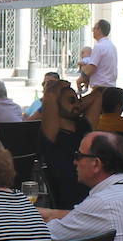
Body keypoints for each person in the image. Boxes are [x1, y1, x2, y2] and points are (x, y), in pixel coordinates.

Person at [38, 77, 100, 209]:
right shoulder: (52, 134)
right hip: (71, 198)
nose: (77, 104)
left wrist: (75, 104)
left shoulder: (83, 127)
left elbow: (98, 96)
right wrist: (57, 87)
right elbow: (49, 96)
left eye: (78, 100)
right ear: (56, 104)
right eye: (71, 101)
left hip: (94, 192)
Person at [79, 19, 118, 90]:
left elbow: (91, 68)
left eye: (94, 28)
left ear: (99, 30)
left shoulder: (99, 46)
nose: (93, 31)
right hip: (111, 86)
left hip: (100, 88)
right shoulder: (112, 46)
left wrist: (81, 78)